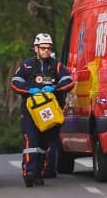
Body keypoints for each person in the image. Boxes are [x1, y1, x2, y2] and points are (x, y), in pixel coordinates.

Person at [10, 32, 73, 188]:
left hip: (50, 112)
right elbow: (15, 83)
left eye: (49, 48)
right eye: (43, 48)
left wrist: (55, 88)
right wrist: (29, 90)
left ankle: (39, 172)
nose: (46, 51)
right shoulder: (26, 66)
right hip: (31, 112)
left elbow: (68, 81)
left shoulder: (56, 66)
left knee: (45, 143)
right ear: (36, 48)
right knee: (31, 141)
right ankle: (29, 173)